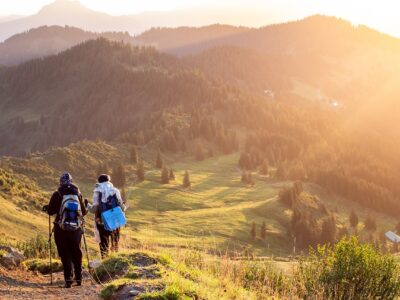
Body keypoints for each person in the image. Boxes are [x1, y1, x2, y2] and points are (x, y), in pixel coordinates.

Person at [43, 173, 87, 288]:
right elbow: (84, 212)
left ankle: (68, 280)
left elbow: (51, 211)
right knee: (77, 252)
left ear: (61, 182)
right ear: (71, 181)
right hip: (76, 229)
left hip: (60, 228)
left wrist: (47, 207)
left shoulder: (57, 193)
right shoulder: (78, 193)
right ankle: (79, 279)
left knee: (65, 253)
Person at [87, 174, 126, 258]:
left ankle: (105, 260)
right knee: (115, 242)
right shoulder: (115, 191)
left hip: (102, 221)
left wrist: (87, 205)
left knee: (104, 243)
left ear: (99, 182)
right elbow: (122, 208)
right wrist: (125, 206)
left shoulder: (97, 191)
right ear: (109, 181)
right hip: (115, 220)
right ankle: (115, 259)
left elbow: (93, 210)